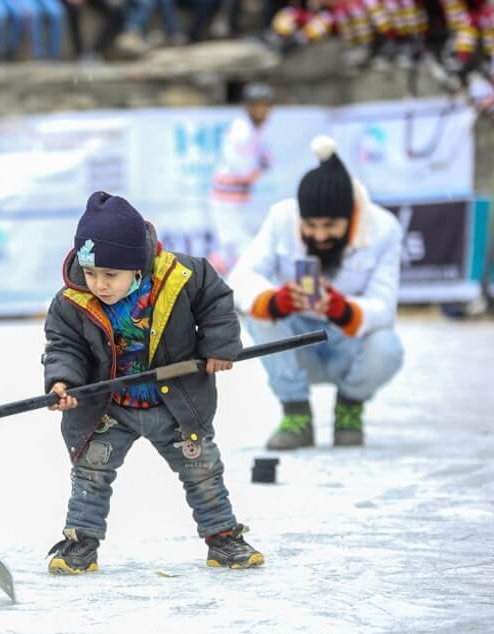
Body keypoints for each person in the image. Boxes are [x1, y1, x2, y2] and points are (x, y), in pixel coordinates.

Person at [42, 190, 263, 573]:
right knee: (90, 475)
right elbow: (65, 346)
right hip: (110, 409)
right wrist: (63, 381)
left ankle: (224, 538)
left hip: (175, 404)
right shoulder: (72, 301)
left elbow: (217, 304)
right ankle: (80, 544)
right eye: (91, 272)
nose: (99, 284)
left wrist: (219, 347)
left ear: (138, 265)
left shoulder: (182, 279)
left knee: (203, 472)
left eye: (110, 275)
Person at [229, 136, 404, 450]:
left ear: (350, 217)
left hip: (346, 343)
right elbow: (241, 278)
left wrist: (342, 309)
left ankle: (350, 407)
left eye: (330, 225)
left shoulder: (384, 229)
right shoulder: (282, 217)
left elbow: (384, 306)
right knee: (260, 313)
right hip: (295, 345)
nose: (319, 235)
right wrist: (277, 301)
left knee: (388, 346)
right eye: (311, 225)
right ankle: (296, 414)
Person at [207, 81, 274, 275]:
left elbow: (266, 161)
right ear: (248, 107)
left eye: (266, 105)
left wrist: (261, 165)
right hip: (226, 198)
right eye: (257, 105)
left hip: (239, 197)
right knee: (233, 244)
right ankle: (207, 288)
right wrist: (261, 166)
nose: (262, 110)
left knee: (235, 245)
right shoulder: (242, 131)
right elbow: (246, 172)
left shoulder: (257, 129)